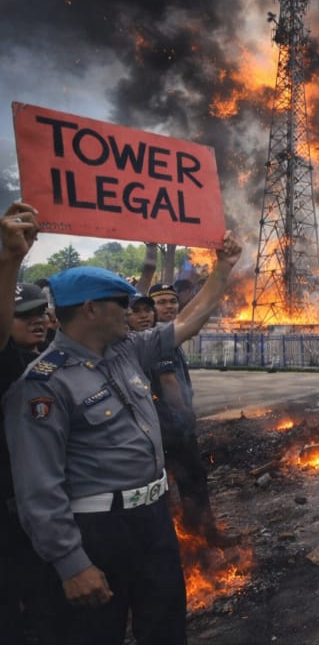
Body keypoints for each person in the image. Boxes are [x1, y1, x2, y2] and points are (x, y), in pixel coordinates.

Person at [3, 234, 241, 645]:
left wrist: (223, 269)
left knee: (165, 626)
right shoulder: (43, 385)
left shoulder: (127, 350)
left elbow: (188, 321)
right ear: (91, 310)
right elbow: (38, 488)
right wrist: (71, 563)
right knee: (95, 632)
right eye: (121, 304)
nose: (132, 311)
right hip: (97, 531)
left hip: (153, 519)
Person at [146, 281, 237, 548]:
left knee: (188, 481)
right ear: (150, 308)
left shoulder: (166, 335)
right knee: (186, 481)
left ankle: (196, 535)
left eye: (172, 302)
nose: (169, 307)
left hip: (170, 428)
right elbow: (168, 382)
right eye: (161, 302)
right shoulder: (158, 338)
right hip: (168, 428)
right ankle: (197, 538)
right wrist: (186, 413)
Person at [0, 203, 47, 645]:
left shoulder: (44, 361)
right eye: (24, 314)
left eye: (41, 312)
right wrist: (11, 260)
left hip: (41, 508)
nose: (37, 319)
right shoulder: (5, 361)